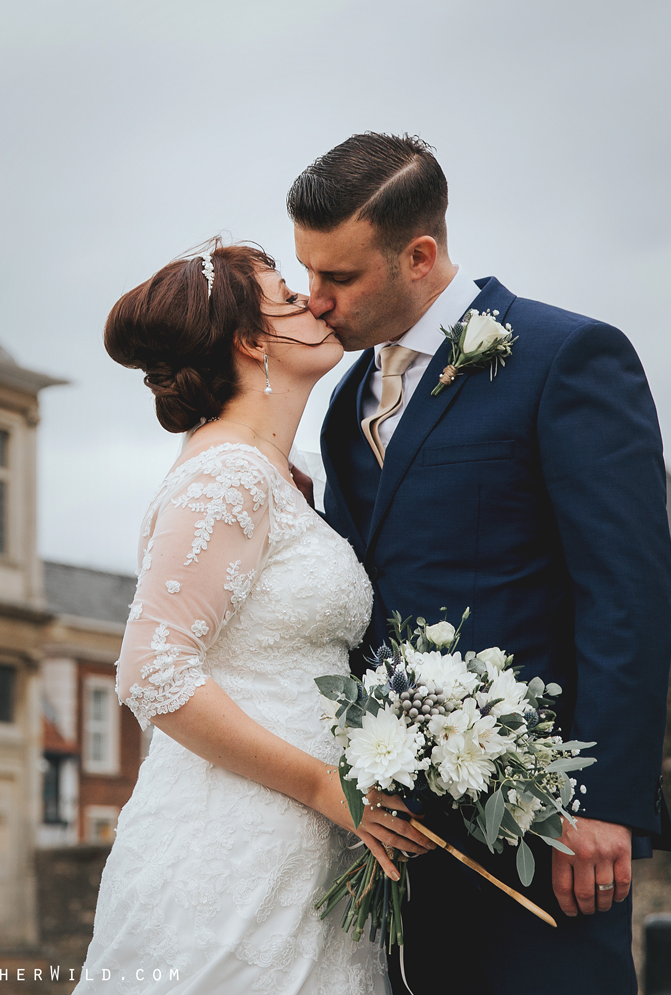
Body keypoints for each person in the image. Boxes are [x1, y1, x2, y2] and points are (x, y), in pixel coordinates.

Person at [291, 133, 671, 994]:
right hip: (398, 837)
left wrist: (606, 802)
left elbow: (628, 593)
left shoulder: (567, 359)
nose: (315, 301)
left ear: (419, 254)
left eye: (339, 277)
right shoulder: (346, 402)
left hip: (548, 831)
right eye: (307, 272)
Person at [78, 244, 426, 994]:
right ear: (249, 339)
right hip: (234, 847)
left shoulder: (290, 473)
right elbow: (152, 670)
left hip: (306, 854)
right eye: (288, 297)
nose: (315, 302)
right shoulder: (223, 474)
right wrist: (322, 785)